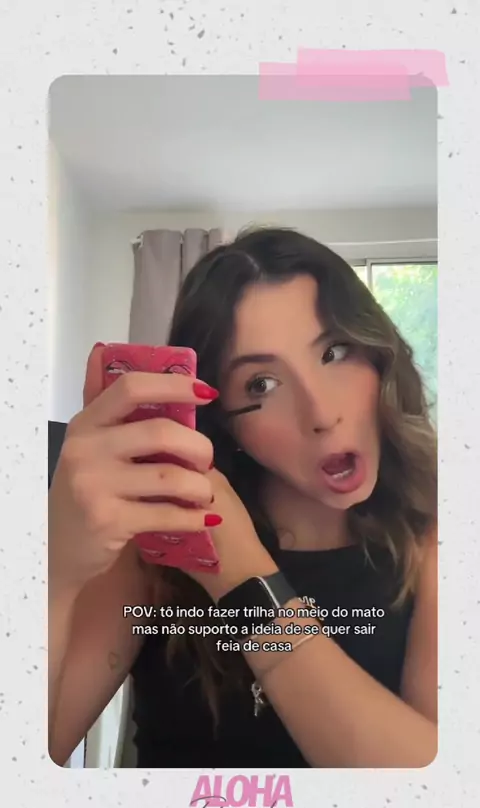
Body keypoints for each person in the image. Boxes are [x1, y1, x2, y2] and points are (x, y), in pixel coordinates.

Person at [48, 226, 438, 769]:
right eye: (261, 385)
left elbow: (439, 796)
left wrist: (242, 578)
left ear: (378, 353)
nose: (322, 414)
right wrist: (57, 569)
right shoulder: (159, 540)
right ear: (224, 423)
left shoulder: (435, 537)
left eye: (334, 351)